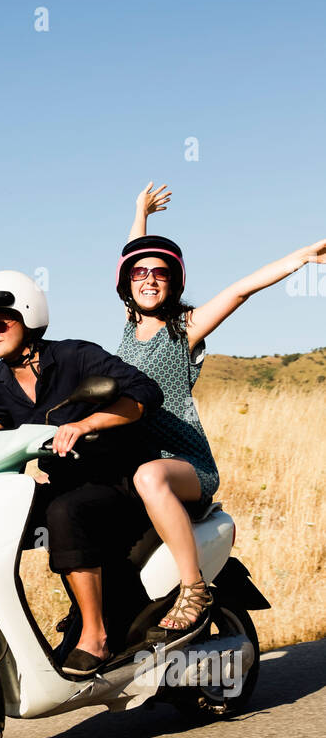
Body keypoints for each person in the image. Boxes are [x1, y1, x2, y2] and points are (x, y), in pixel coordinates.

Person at [116, 181, 326, 639]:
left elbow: (240, 291)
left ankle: (194, 588)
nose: (149, 278)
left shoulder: (183, 329)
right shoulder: (129, 331)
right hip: (131, 464)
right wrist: (141, 214)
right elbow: (132, 253)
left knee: (149, 476)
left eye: (160, 273)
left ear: (174, 283)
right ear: (126, 284)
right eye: (139, 274)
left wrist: (301, 258)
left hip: (184, 467)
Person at [0, 269, 163, 677]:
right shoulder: (1, 377)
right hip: (66, 484)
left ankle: (95, 635)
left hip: (118, 482)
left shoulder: (77, 356)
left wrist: (86, 425)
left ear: (28, 315)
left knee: (64, 514)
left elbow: (145, 394)